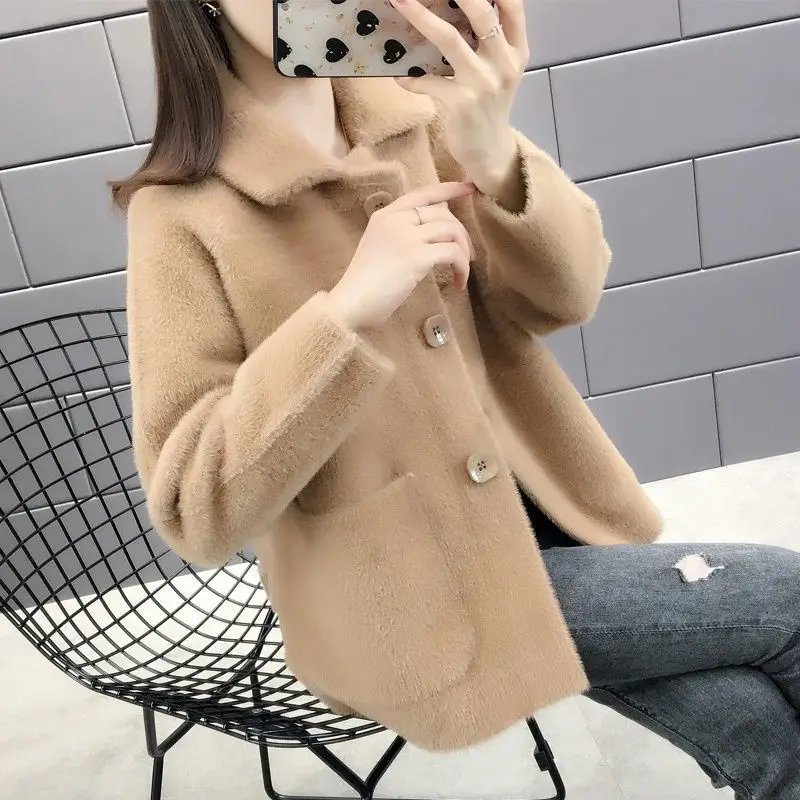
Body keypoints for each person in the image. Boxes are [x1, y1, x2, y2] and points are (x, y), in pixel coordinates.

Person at [117, 1, 800, 797]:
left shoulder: (418, 117)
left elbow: (568, 295)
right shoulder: (181, 213)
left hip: (550, 520)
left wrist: (494, 151)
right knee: (788, 600)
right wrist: (348, 312)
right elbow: (195, 509)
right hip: (412, 594)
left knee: (754, 724)